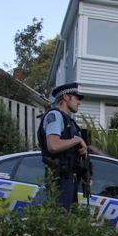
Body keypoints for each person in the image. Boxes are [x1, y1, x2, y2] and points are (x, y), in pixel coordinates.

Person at [37, 82, 87, 210]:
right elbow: (53, 145)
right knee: (59, 221)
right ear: (66, 97)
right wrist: (77, 140)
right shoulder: (55, 116)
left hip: (68, 177)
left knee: (67, 220)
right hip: (58, 180)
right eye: (76, 98)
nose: (79, 102)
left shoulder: (67, 119)